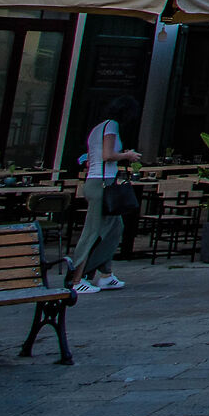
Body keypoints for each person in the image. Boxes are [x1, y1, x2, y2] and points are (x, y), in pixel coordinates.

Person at [67, 96, 142, 293]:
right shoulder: (111, 126)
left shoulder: (98, 128)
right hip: (101, 184)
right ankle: (76, 278)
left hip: (100, 182)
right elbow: (107, 155)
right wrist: (128, 155)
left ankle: (105, 274)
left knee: (115, 228)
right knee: (93, 230)